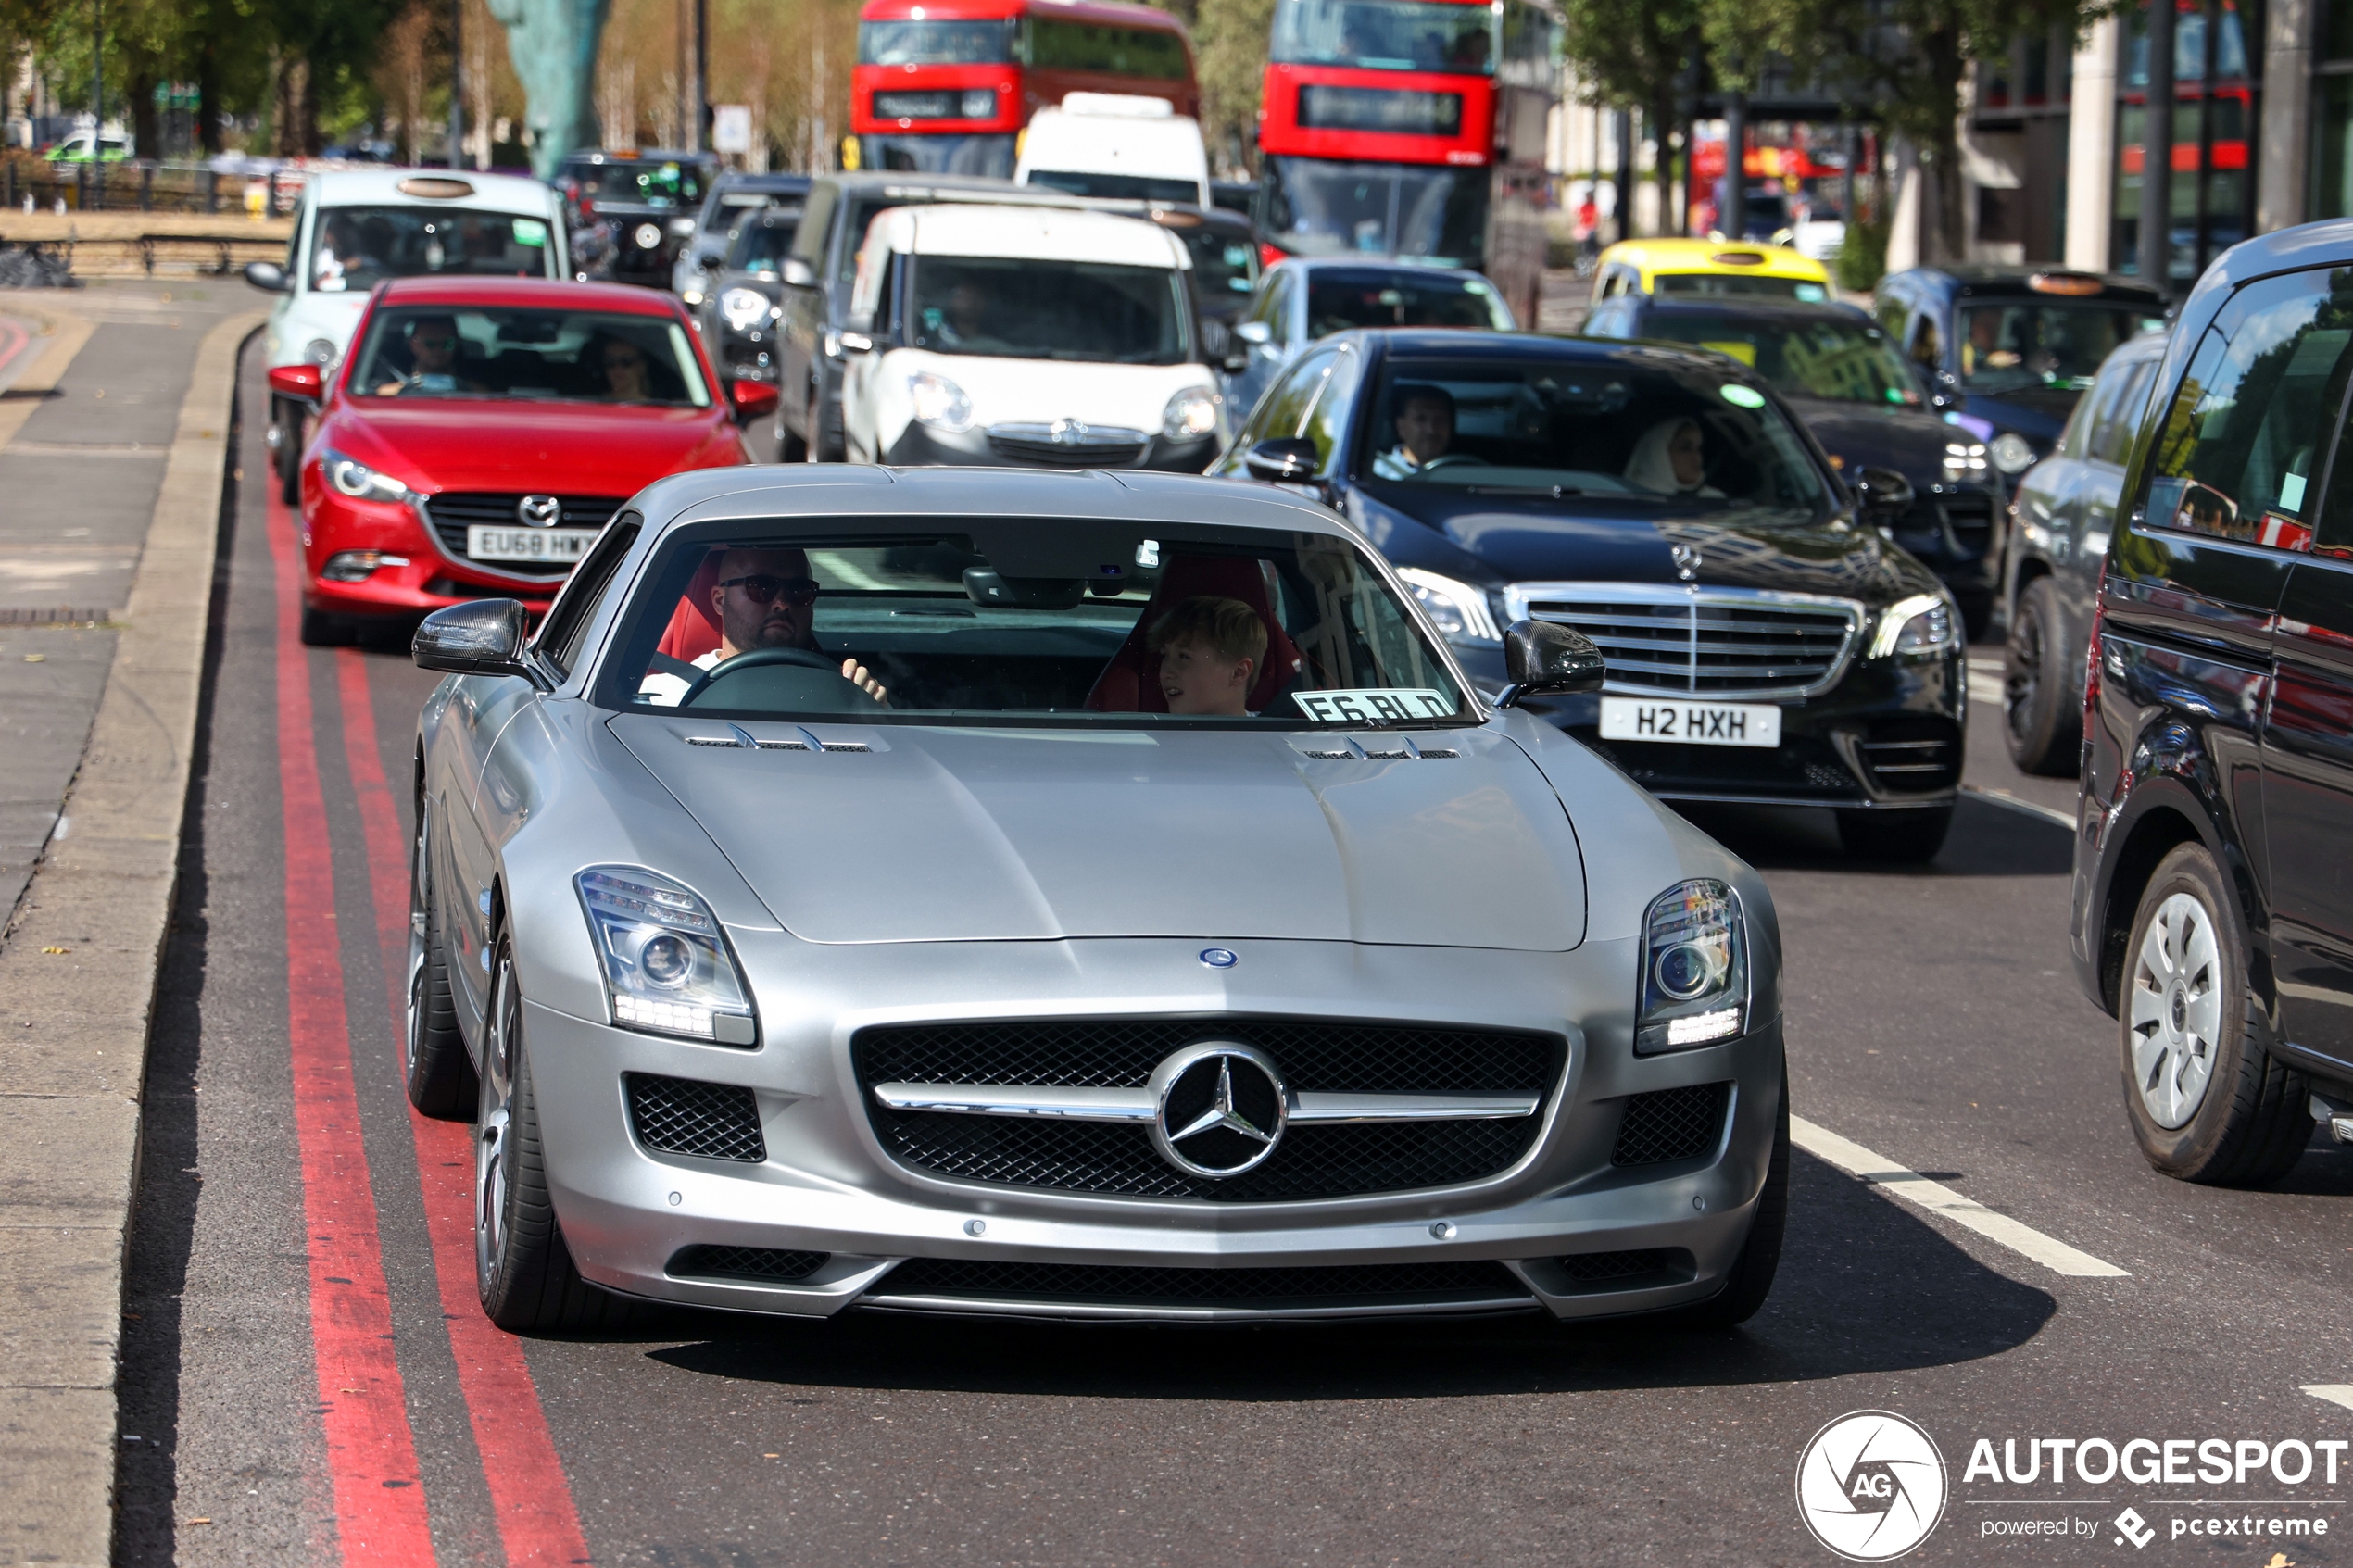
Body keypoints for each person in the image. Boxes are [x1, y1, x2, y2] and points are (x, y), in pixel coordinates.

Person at [636, 546, 888, 707]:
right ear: (719, 600)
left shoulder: (849, 693)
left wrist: (873, 709)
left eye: (799, 591)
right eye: (761, 587)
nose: (782, 603)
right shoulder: (663, 697)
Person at [1149, 596, 1266, 717]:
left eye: (1184, 656)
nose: (1164, 674)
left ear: (1238, 672)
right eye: (1165, 656)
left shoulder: (1277, 732)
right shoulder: (1152, 734)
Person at [1371, 383, 1467, 479]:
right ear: (1401, 426)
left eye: (1440, 419)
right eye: (1421, 419)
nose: (1431, 430)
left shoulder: (1465, 476)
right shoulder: (1377, 473)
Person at [374, 314, 476, 396]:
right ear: (413, 345)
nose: (438, 350)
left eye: (447, 344)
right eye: (430, 344)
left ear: (456, 345)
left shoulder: (478, 393)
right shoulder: (388, 393)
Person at [1625, 416, 1724, 497]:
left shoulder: (1712, 500)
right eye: (1685, 448)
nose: (1697, 457)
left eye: (1699, 449)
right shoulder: (1621, 498)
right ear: (1657, 454)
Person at [595, 332, 655, 401]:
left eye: (626, 361)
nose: (617, 368)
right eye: (610, 362)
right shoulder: (591, 404)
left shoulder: (657, 408)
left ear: (641, 366)